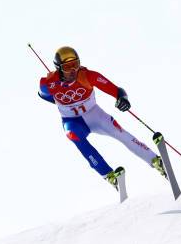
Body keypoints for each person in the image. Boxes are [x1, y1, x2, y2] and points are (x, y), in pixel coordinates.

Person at [38, 46, 166, 190]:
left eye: (76, 64)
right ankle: (108, 174)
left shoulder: (87, 76)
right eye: (68, 67)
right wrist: (61, 99)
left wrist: (122, 98)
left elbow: (116, 90)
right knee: (72, 135)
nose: (73, 70)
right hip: (72, 121)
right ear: (59, 68)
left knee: (119, 132)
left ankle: (154, 160)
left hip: (94, 114)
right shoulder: (47, 83)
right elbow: (45, 96)